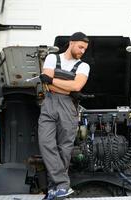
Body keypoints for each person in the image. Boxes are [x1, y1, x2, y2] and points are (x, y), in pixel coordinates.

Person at [38, 32, 90, 199]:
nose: (82, 51)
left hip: (68, 106)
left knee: (64, 148)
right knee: (46, 143)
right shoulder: (53, 58)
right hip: (49, 103)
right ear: (71, 43)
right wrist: (64, 86)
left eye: (85, 49)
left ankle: (54, 189)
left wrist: (52, 80)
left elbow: (76, 86)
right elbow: (49, 86)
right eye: (80, 47)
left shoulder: (84, 66)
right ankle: (62, 184)